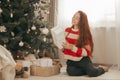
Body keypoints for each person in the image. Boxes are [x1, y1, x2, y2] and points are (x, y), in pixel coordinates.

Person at [62, 10, 109, 77]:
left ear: (82, 21)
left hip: (82, 59)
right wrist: (61, 46)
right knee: (71, 73)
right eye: (74, 16)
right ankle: (88, 69)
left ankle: (102, 69)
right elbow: (64, 49)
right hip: (71, 60)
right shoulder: (67, 31)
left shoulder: (84, 34)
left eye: (77, 18)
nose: (74, 19)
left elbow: (87, 52)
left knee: (92, 73)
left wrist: (72, 48)